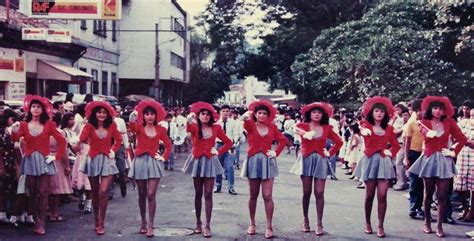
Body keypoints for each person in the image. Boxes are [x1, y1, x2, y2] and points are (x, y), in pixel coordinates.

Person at [408, 96, 467, 237]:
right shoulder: (424, 122)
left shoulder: (449, 122)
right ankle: (427, 222)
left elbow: (462, 138)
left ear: (444, 110)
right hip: (428, 159)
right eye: (435, 108)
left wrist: (453, 152)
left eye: (440, 108)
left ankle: (440, 226)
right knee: (428, 193)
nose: (438, 111)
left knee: (442, 195)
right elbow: (424, 133)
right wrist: (428, 133)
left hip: (444, 160)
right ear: (430, 109)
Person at [11, 95, 67, 235]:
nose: (36, 109)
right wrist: (14, 129)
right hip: (30, 160)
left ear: (43, 110)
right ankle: (35, 219)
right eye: (33, 107)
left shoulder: (49, 124)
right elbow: (15, 139)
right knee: (33, 192)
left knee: (43, 192)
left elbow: (62, 141)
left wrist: (55, 157)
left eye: (38, 107)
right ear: (29, 109)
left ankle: (41, 223)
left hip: (44, 160)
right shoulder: (23, 125)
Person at [290, 102, 342, 235]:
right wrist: (304, 133)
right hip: (306, 159)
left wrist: (329, 153)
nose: (317, 114)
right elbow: (295, 129)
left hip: (320, 160)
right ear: (309, 114)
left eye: (319, 112)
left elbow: (339, 142)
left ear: (323, 115)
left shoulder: (327, 128)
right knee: (306, 192)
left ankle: (319, 222)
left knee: (319, 193)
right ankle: (305, 219)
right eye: (314, 112)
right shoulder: (303, 125)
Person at [181, 102, 232, 238]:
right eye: (202, 114)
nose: (205, 116)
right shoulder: (194, 127)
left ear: (211, 116)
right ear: (198, 115)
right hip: (197, 161)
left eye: (208, 114)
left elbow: (228, 142)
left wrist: (218, 151)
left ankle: (207, 225)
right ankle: (198, 222)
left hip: (209, 161)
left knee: (208, 193)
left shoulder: (216, 128)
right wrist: (188, 118)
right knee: (198, 193)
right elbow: (187, 128)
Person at [354, 96, 400, 238]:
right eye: (377, 111)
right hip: (369, 161)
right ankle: (367, 222)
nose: (379, 113)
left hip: (383, 161)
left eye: (382, 111)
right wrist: (364, 132)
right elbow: (362, 129)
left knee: (383, 194)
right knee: (369, 195)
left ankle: (380, 225)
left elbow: (396, 145)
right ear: (372, 112)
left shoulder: (389, 128)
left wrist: (390, 152)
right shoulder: (365, 125)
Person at [241, 100, 288, 239]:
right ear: (255, 114)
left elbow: (283, 140)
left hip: (267, 161)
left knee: (267, 196)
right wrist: (246, 116)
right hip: (253, 161)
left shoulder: (272, 127)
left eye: (264, 113)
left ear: (268, 115)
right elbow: (246, 123)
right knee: (253, 195)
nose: (261, 115)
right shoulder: (251, 125)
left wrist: (276, 152)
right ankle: (252, 223)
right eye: (259, 113)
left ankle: (269, 226)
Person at [128, 100, 172, 237]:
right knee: (142, 194)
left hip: (154, 162)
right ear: (143, 116)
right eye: (146, 114)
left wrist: (163, 157)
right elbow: (132, 127)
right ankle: (143, 221)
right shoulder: (139, 128)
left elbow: (168, 145)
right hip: (140, 161)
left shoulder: (161, 129)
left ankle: (151, 225)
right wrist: (132, 117)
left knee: (151, 194)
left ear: (156, 115)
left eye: (152, 114)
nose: (149, 116)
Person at [78, 101, 122, 235]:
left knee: (104, 191)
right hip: (92, 159)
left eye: (104, 112)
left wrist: (113, 150)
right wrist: (85, 126)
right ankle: (96, 220)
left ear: (108, 114)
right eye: (99, 112)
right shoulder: (89, 126)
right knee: (95, 192)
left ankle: (102, 222)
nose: (101, 115)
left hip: (107, 159)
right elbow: (82, 138)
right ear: (94, 114)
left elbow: (118, 140)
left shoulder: (112, 125)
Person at [402, 99, 425, 219]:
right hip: (413, 153)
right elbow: (406, 141)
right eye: (419, 110)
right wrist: (406, 157)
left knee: (423, 182)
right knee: (414, 182)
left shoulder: (427, 122)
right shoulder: (411, 123)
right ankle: (413, 207)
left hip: (425, 154)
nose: (421, 112)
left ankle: (420, 207)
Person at [215, 105, 239, 195]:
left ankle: (231, 187)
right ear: (220, 112)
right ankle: (218, 185)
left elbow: (236, 133)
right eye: (223, 111)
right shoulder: (216, 123)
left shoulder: (233, 123)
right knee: (218, 166)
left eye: (227, 111)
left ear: (230, 112)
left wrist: (235, 142)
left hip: (230, 146)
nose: (225, 113)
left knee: (230, 167)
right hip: (219, 145)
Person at [455, 108, 474, 221]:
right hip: (462, 157)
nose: (472, 118)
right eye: (471, 116)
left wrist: (466, 141)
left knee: (473, 187)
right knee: (459, 185)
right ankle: (466, 208)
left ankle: (472, 211)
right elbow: (455, 136)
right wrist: (466, 141)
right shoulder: (462, 123)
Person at [0, 109, 19, 224]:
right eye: (11, 118)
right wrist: (1, 165)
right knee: (2, 189)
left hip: (10, 161)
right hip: (4, 161)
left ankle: (4, 212)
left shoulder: (8, 130)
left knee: (8, 188)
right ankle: (2, 212)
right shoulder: (1, 131)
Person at [109, 105, 129, 199]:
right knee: (110, 171)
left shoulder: (120, 121)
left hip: (119, 147)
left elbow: (124, 135)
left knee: (121, 169)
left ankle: (123, 184)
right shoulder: (103, 122)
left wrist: (126, 148)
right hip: (108, 148)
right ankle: (110, 192)